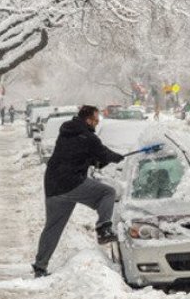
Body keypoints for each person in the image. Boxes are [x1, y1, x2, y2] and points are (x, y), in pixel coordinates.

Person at [32, 105, 125, 277]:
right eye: (95, 120)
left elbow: (80, 155)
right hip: (71, 183)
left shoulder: (67, 132)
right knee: (107, 193)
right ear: (88, 119)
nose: (97, 123)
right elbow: (102, 154)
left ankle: (40, 266)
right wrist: (117, 157)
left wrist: (97, 160)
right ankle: (104, 229)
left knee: (52, 227)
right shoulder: (88, 137)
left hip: (53, 184)